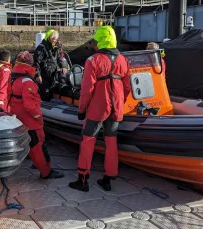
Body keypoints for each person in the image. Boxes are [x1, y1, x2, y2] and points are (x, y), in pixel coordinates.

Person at [68, 26, 131, 192]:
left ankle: (82, 179)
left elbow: (87, 89)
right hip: (116, 108)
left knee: (87, 140)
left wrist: (81, 110)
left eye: (96, 41)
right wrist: (120, 102)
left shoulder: (92, 61)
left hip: (97, 108)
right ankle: (108, 178)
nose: (94, 44)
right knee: (111, 142)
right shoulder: (123, 60)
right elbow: (127, 87)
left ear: (100, 41)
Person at [9, 51, 64, 179]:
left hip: (18, 116)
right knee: (38, 145)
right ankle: (46, 171)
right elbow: (29, 105)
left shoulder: (13, 78)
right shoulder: (28, 82)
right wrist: (38, 116)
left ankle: (38, 165)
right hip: (30, 119)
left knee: (32, 144)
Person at [33, 29, 69, 101]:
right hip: (43, 77)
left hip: (52, 76)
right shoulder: (41, 47)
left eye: (56, 39)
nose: (55, 40)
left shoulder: (55, 48)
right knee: (44, 94)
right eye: (53, 39)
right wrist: (38, 75)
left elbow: (59, 58)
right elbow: (36, 62)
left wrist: (63, 66)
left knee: (51, 92)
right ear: (49, 38)